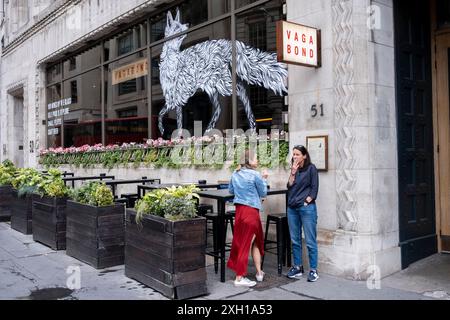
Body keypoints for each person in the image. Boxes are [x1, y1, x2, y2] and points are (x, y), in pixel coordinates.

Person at [227, 149, 268, 287]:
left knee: (251, 241)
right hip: (251, 212)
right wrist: (264, 178)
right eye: (256, 158)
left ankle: (259, 273)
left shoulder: (235, 173)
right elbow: (263, 192)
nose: (257, 160)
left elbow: (231, 191)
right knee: (246, 243)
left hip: (239, 211)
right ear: (249, 161)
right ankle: (239, 278)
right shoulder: (255, 175)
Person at [286, 145, 319, 282]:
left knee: (310, 241)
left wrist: (307, 201)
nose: (295, 157)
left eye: (297, 154)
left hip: (306, 208)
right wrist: (293, 172)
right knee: (295, 240)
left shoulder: (311, 168)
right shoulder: (294, 169)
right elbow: (289, 185)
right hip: (292, 208)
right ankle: (298, 267)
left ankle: (313, 270)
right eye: (293, 154)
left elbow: (314, 188)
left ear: (304, 156)